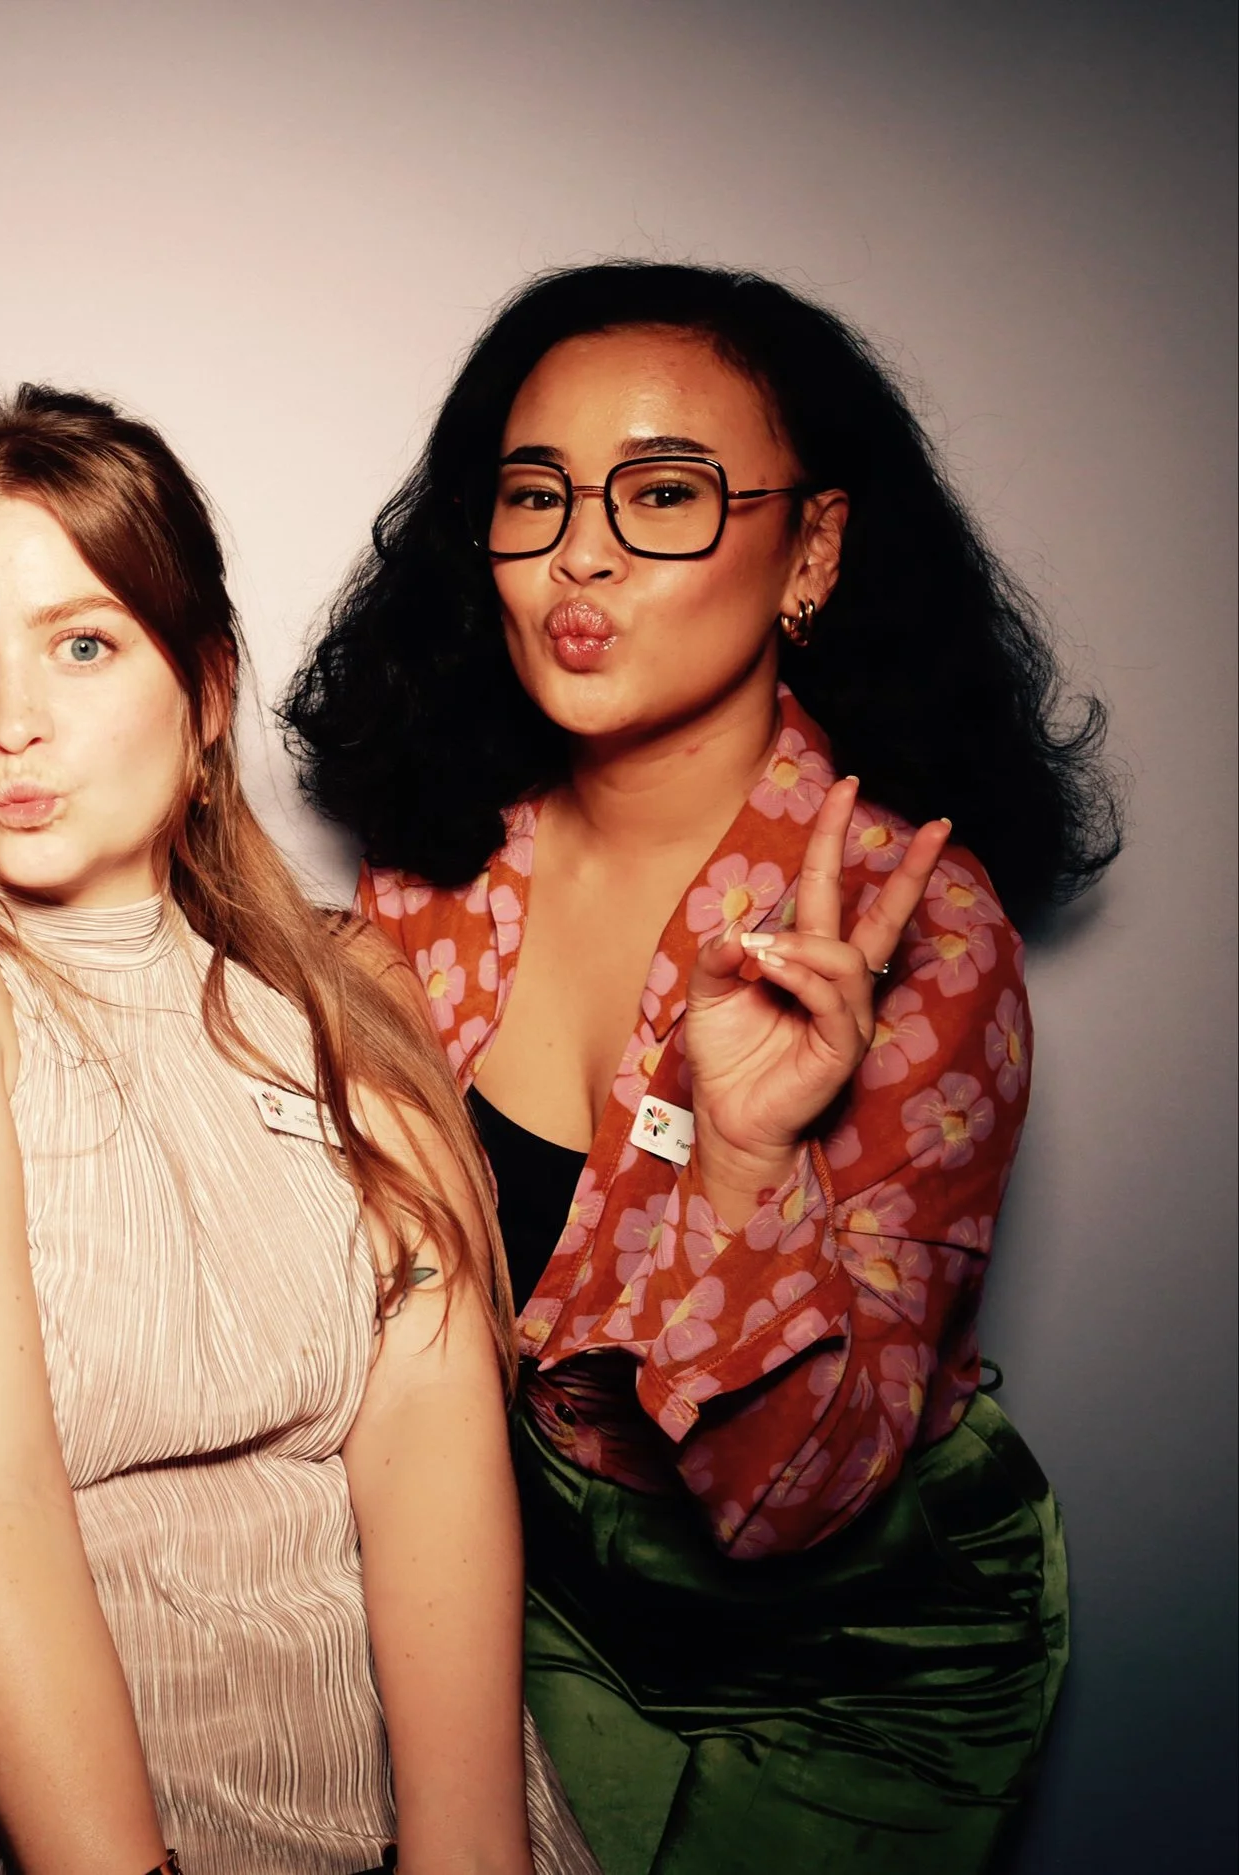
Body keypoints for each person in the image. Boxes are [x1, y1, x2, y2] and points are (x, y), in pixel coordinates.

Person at [284, 262, 1120, 1873]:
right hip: (543, 1577)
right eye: (536, 496)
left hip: (859, 1643)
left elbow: (795, 1503)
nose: (582, 551)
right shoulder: (434, 875)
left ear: (810, 547)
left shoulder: (912, 935)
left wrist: (742, 1159)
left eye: (663, 493)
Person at [0, 387, 601, 1875]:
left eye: (81, 642)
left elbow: (436, 1481)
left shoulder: (346, 996)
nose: (11, 720)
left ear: (204, 691)